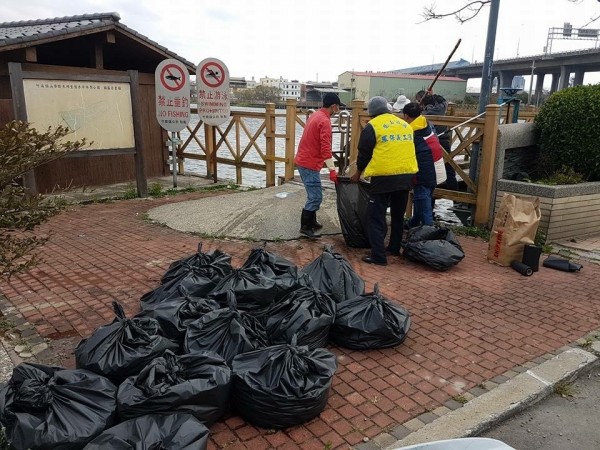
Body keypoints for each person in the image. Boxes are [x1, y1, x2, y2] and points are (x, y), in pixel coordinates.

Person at [350, 96, 418, 266]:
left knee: (375, 217)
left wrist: (358, 173)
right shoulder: (405, 125)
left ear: (371, 113)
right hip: (406, 175)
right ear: (388, 109)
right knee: (397, 215)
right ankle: (394, 248)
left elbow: (364, 153)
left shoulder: (372, 126)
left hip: (383, 178)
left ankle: (378, 256)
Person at [294, 92, 343, 238]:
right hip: (310, 163)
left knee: (313, 194)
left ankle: (312, 222)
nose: (338, 110)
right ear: (334, 106)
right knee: (315, 197)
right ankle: (305, 227)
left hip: (303, 160)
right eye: (338, 107)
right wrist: (332, 170)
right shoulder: (325, 121)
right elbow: (326, 148)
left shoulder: (315, 115)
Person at [402, 102, 447, 228]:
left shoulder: (410, 131)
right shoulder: (427, 123)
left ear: (406, 116)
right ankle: (413, 223)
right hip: (437, 163)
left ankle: (429, 231)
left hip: (424, 169)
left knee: (423, 200)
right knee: (423, 198)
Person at [416, 91, 459, 219]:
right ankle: (456, 200)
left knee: (430, 174)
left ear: (422, 101)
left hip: (429, 144)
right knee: (449, 170)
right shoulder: (440, 108)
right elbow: (443, 101)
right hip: (444, 141)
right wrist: (433, 95)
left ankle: (430, 206)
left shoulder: (423, 113)